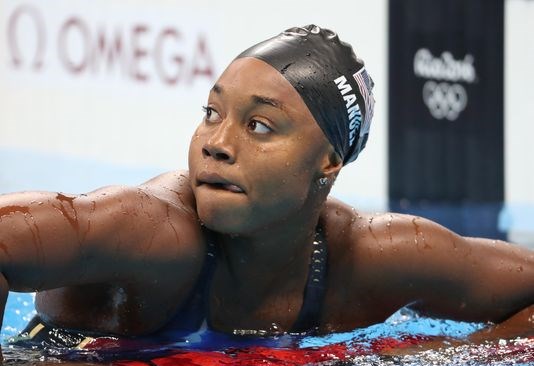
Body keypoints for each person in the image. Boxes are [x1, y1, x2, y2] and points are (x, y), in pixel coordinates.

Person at [0, 25, 532, 347]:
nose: (217, 143)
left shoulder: (369, 259)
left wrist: (440, 361)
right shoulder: (154, 233)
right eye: (211, 113)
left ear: (329, 161)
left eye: (259, 126)